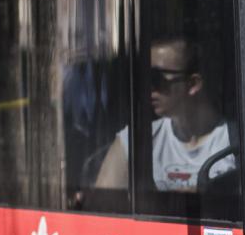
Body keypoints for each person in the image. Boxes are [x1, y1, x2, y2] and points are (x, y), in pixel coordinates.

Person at [93, 36, 234, 193]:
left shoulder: (235, 142)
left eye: (157, 78)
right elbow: (101, 204)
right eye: (145, 78)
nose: (149, 88)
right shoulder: (136, 141)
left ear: (193, 84)